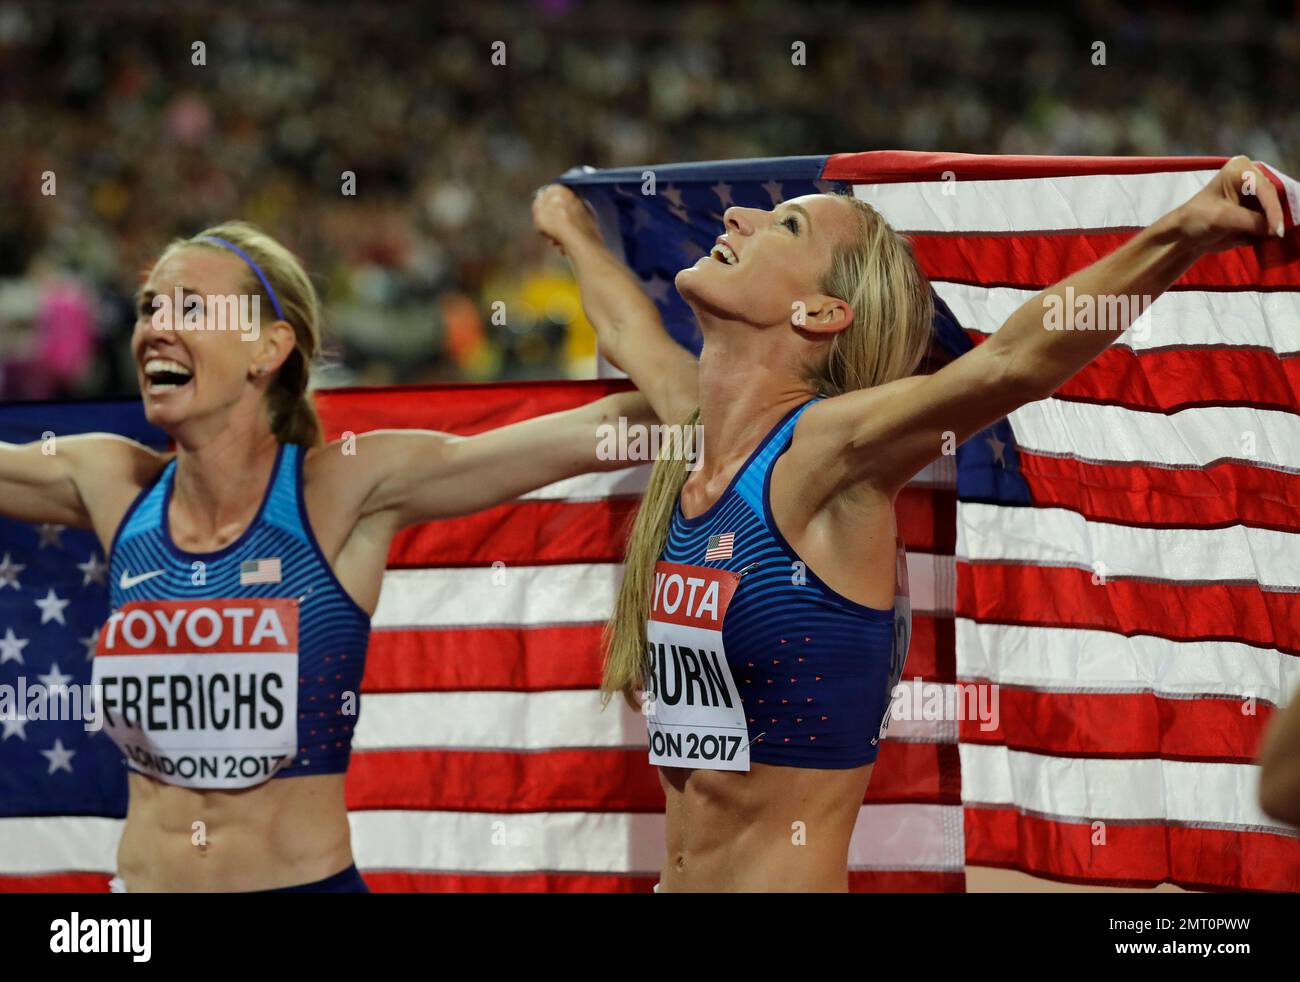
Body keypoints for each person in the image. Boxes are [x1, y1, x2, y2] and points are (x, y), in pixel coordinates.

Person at [533, 156, 1287, 892]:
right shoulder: (704, 448)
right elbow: (631, 335)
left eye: (784, 225)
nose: (737, 215)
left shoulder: (825, 455)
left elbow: (1010, 365)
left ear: (822, 312)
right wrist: (573, 229)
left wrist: (1183, 231)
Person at [0, 221, 654, 892]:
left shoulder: (340, 488)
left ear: (268, 347)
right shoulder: (112, 482)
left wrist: (588, 242)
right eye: (149, 309)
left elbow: (619, 429)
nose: (154, 329)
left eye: (189, 307)